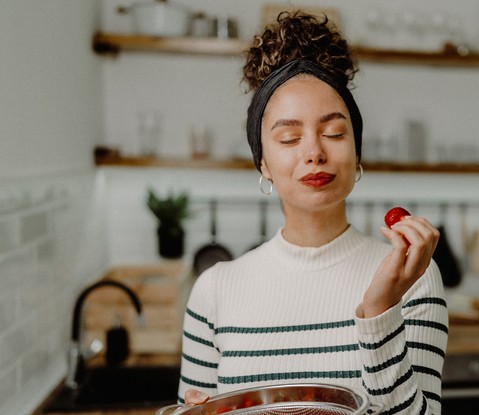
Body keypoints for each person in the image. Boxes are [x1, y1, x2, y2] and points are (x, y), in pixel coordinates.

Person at [177, 11, 449, 415]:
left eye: (334, 133)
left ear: (357, 153)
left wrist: (380, 311)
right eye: (289, 137)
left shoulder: (412, 277)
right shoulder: (214, 291)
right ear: (263, 163)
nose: (314, 152)